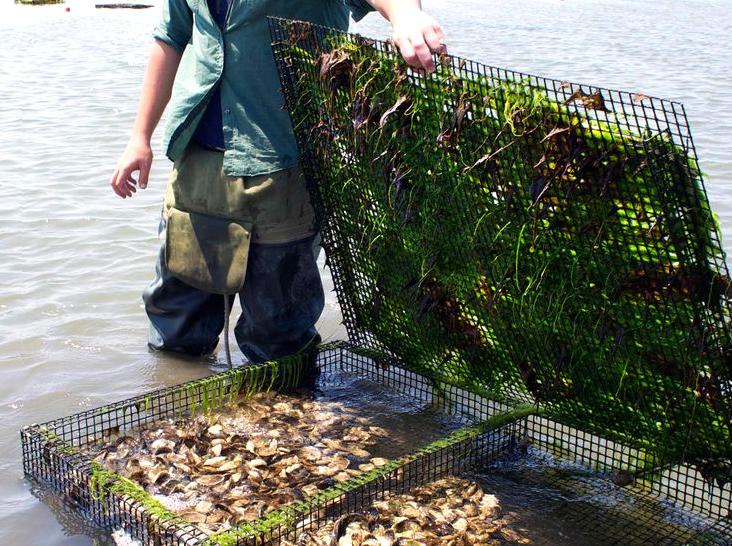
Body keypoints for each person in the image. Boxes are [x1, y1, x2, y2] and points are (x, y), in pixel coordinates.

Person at [109, 0, 446, 368]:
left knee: (278, 339)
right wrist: (139, 137)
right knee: (176, 330)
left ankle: (286, 419)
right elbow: (170, 37)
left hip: (283, 171)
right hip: (196, 165)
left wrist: (405, 15)